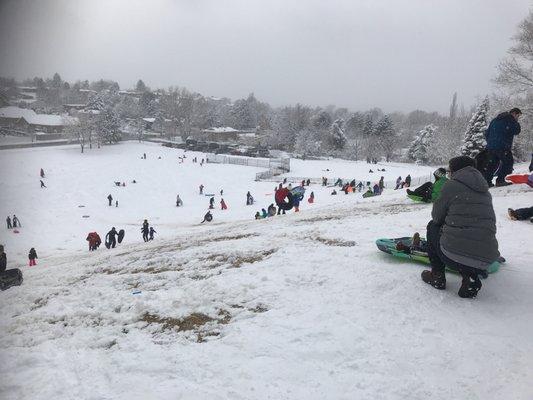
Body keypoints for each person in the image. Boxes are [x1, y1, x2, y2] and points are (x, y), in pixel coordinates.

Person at [421, 156, 500, 298]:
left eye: (449, 171)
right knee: (470, 236)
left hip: (454, 255)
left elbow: (437, 217)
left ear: (455, 171)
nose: (449, 174)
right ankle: (470, 276)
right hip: (485, 258)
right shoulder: (484, 190)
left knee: (432, 227)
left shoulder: (451, 186)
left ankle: (437, 275)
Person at [484, 107, 522, 187]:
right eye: (518, 116)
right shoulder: (510, 119)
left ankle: (486, 182)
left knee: (492, 164)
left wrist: (491, 143)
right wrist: (516, 122)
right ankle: (500, 180)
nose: (517, 118)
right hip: (502, 146)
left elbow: (487, 133)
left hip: (491, 147)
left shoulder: (494, 120)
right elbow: (516, 131)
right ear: (514, 113)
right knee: (508, 163)